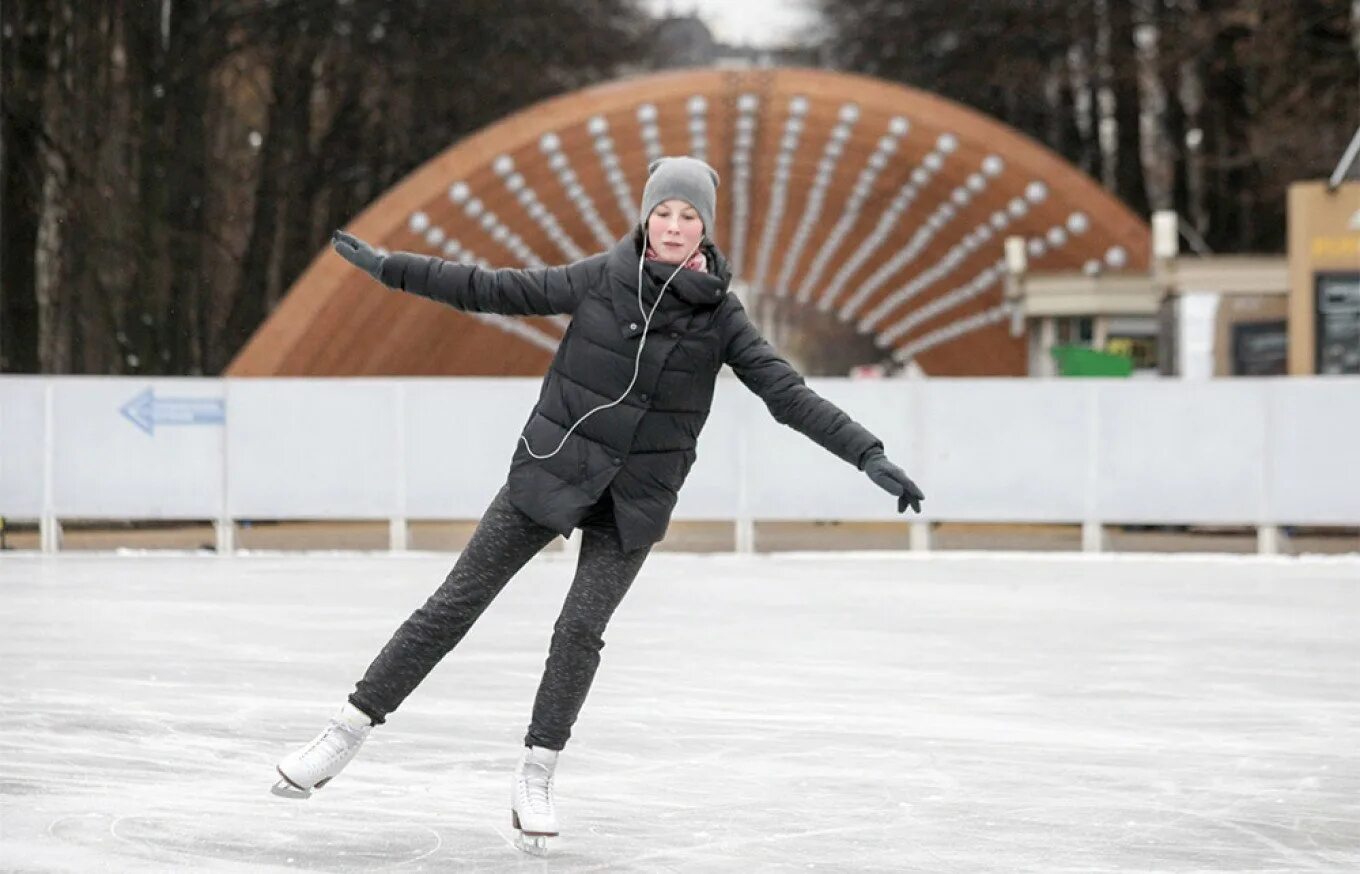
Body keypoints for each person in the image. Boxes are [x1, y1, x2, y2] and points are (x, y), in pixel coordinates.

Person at [270, 155, 925, 856]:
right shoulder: (602, 278)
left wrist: (868, 453)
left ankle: (536, 774)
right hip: (554, 468)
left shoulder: (722, 318)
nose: (674, 226)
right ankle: (344, 734)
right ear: (647, 218)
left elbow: (787, 394)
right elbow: (494, 289)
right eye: (664, 212)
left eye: (688, 215)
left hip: (635, 496)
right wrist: (393, 269)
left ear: (705, 228)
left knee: (580, 631)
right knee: (454, 604)